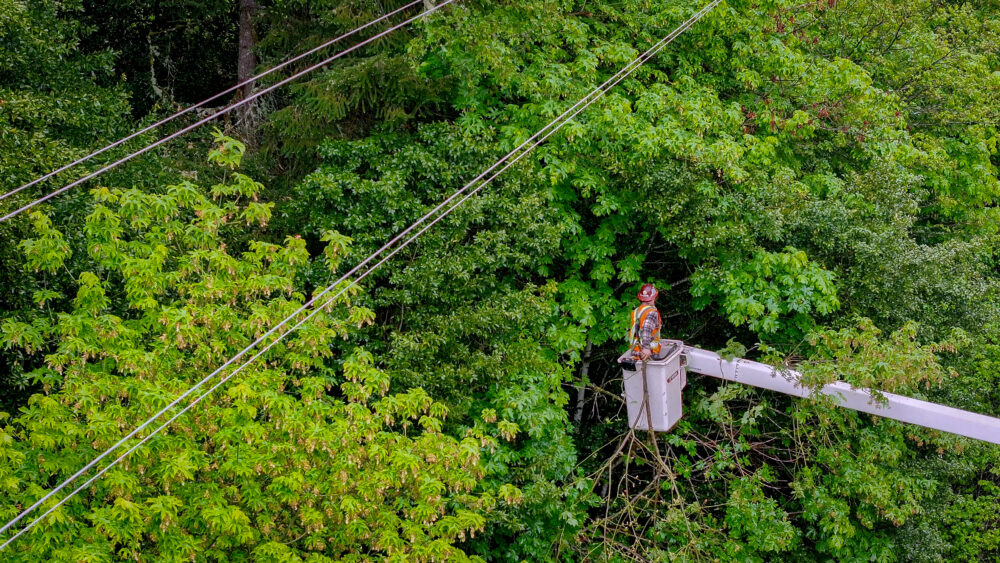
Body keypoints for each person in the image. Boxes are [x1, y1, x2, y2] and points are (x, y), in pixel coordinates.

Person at [629, 283, 664, 361]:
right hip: (648, 355)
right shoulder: (652, 312)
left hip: (635, 353)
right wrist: (646, 348)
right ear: (654, 297)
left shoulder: (637, 311)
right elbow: (646, 330)